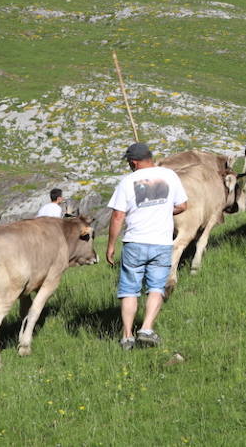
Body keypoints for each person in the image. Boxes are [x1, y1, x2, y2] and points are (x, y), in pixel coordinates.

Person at [105, 142, 187, 350]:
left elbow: (117, 216)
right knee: (156, 288)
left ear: (133, 162)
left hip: (135, 242)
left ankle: (127, 336)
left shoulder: (127, 182)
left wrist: (111, 245)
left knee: (129, 290)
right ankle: (147, 328)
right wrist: (164, 211)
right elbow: (182, 206)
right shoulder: (170, 176)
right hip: (161, 242)